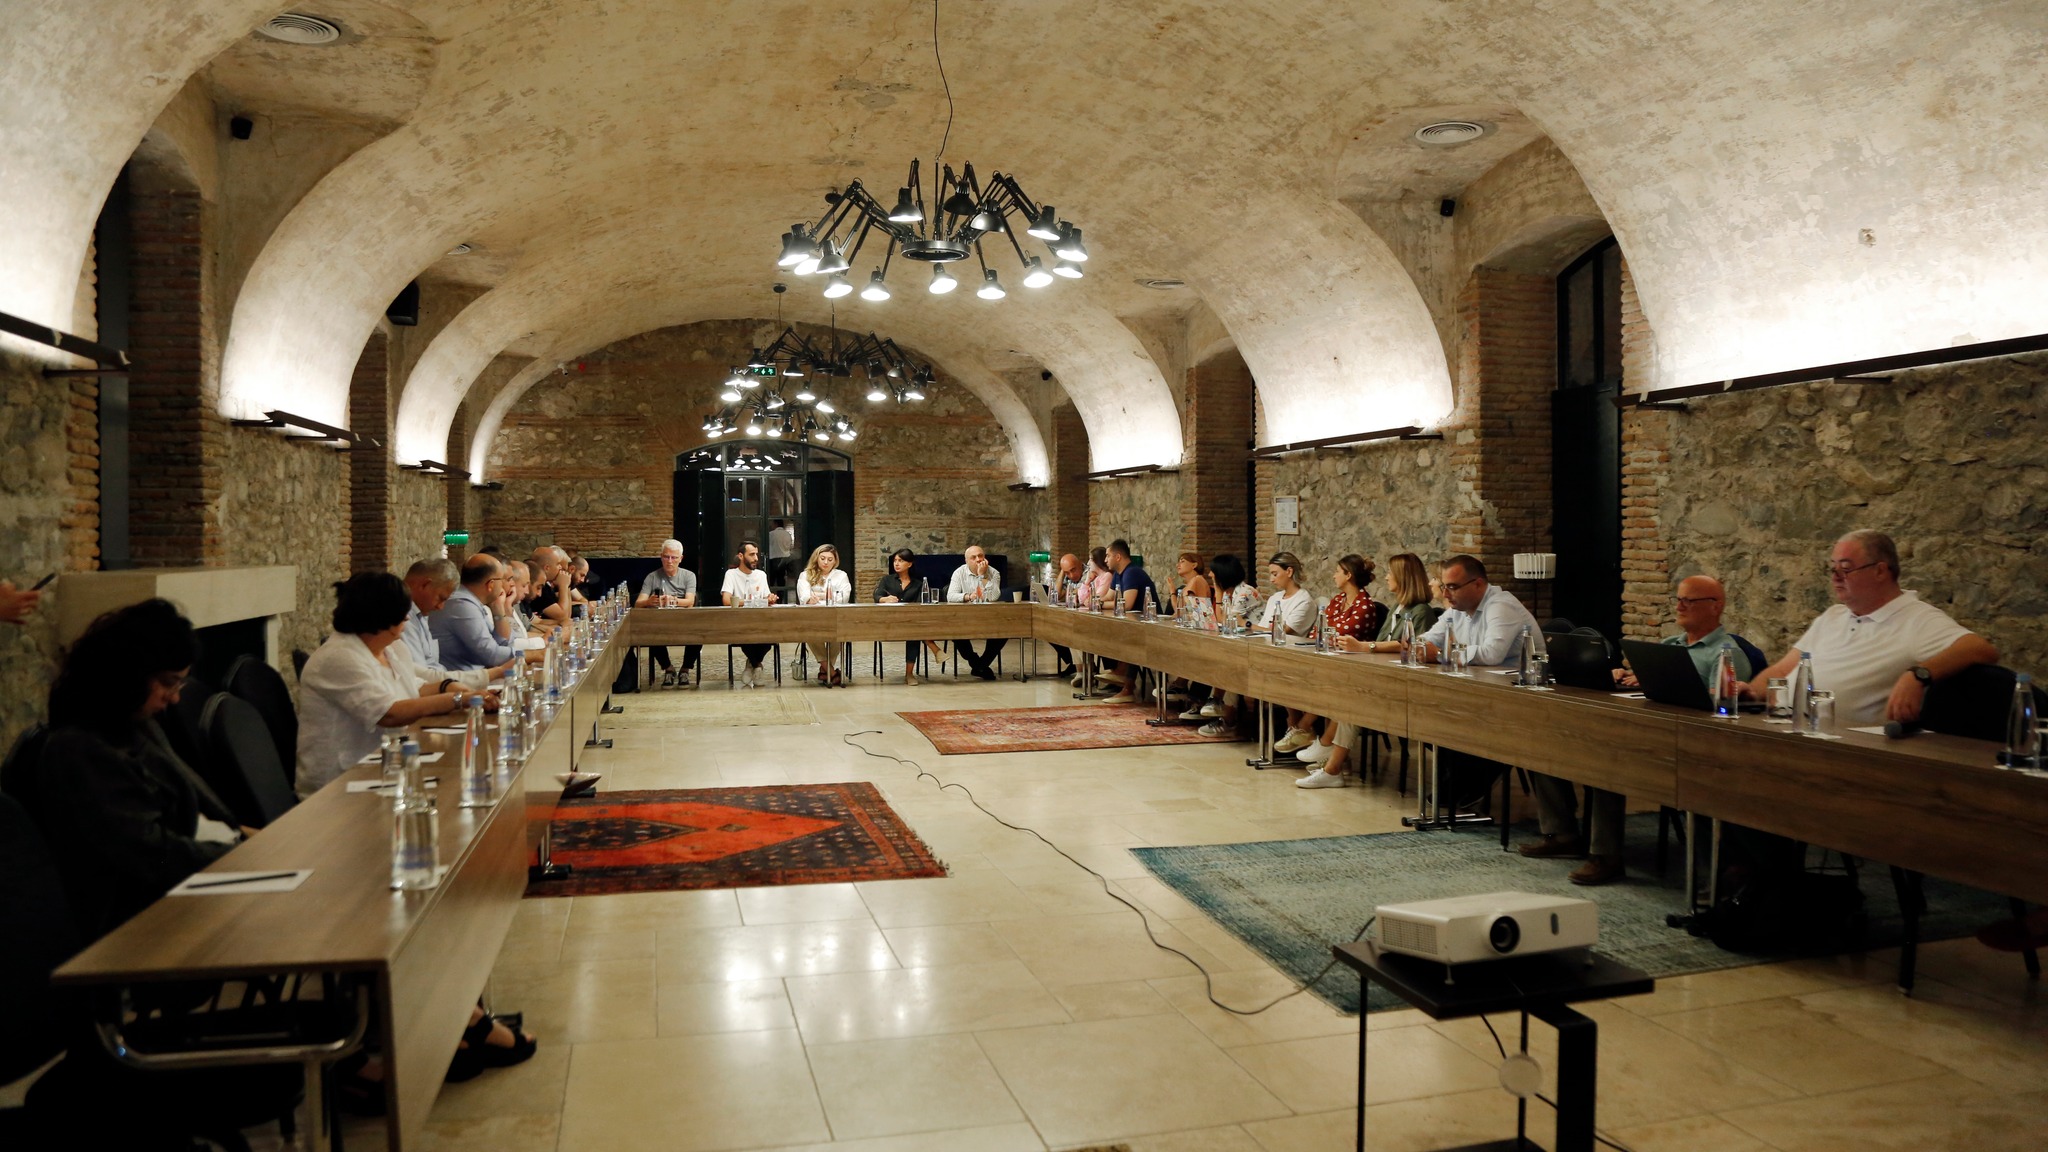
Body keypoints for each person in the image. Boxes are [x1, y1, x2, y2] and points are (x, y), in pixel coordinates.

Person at [29, 599, 245, 938]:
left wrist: (243, 838)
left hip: (177, 891)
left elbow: (185, 809)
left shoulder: (132, 723)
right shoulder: (78, 749)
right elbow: (150, 853)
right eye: (169, 682)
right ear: (128, 673)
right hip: (136, 924)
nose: (175, 698)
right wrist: (238, 857)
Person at [1523, 576, 1754, 884]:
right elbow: (1652, 686)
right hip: (1650, 733)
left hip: (1693, 747)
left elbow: (1728, 704)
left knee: (1607, 764)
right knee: (1549, 745)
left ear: (1716, 606)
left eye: (1690, 600)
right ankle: (1561, 834)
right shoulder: (1670, 645)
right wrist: (1625, 675)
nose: (1680, 606)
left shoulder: (1726, 652)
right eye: (1678, 599)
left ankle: (1605, 855)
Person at [1746, 529, 1998, 728]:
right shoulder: (1832, 617)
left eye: (1846, 568)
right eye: (1833, 568)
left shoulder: (1916, 619)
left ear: (1880, 571)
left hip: (1847, 746)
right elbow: (1782, 670)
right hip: (1787, 728)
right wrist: (1750, 692)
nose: (1835, 577)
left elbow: (1980, 649)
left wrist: (1918, 675)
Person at [297, 573, 484, 797]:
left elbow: (414, 688)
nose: (408, 617)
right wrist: (457, 700)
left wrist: (448, 686)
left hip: (385, 764)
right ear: (385, 616)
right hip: (338, 785)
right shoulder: (339, 657)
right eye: (404, 612)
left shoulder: (392, 648)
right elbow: (388, 714)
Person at [1295, 555, 1385, 788]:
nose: (1334, 575)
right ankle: (1307, 734)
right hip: (1332, 661)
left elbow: (1342, 634)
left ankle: (1306, 732)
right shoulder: (1337, 600)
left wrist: (1328, 633)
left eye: (1338, 571)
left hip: (1355, 668)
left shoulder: (1365, 606)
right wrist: (1326, 634)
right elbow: (1318, 631)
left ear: (1348, 575)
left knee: (1335, 690)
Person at [1412, 555, 1544, 667]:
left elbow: (1491, 655)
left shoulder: (1501, 605)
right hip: (1480, 680)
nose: (1445, 594)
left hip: (1521, 684)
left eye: (1452, 587)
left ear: (1478, 584)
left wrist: (1441, 654)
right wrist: (1417, 646)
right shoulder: (1458, 608)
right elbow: (1429, 638)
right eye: (1444, 587)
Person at [402, 558, 497, 690]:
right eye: (441, 598)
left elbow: (432, 667)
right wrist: (493, 674)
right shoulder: (404, 618)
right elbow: (423, 678)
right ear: (425, 585)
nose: (441, 607)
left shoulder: (420, 614)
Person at [1193, 554, 1263, 731]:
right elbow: (1220, 621)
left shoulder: (1245, 592)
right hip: (1241, 641)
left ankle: (1222, 711)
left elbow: (1224, 621)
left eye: (1213, 572)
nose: (1210, 575)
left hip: (1257, 643)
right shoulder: (1229, 593)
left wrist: (1217, 593)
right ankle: (1214, 705)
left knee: (1228, 663)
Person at [1260, 552, 1321, 750]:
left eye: (1275, 574)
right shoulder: (1275, 598)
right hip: (1269, 647)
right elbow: (1264, 628)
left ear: (1289, 571)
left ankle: (1295, 724)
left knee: (1276, 671)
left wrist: (1247, 624)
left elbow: (1282, 631)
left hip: (1294, 653)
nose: (1271, 579)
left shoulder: (1304, 601)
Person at [429, 553, 522, 672]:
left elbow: (503, 643)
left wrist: (498, 610)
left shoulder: (472, 602)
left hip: (477, 675)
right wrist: (532, 655)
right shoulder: (461, 604)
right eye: (503, 579)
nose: (506, 585)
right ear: (491, 584)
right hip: (462, 679)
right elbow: (492, 656)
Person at [1098, 540, 1158, 704]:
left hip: (1149, 624)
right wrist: (1095, 600)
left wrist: (1100, 604)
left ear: (1118, 557)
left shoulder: (1132, 572)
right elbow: (1109, 596)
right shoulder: (1118, 574)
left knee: (1133, 640)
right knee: (1101, 630)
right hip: (1132, 623)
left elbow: (1127, 604)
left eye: (1108, 556)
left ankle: (1127, 686)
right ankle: (1118, 672)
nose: (1105, 560)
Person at [1343, 552, 1439, 654]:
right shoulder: (1396, 607)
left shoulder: (1422, 611)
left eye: (1390, 573)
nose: (1386, 578)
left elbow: (1412, 645)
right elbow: (1384, 641)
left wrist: (1363, 646)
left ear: (1402, 577)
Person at [635, 539, 700, 688]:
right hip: (659, 622)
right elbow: (638, 603)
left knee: (701, 632)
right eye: (666, 557)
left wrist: (673, 600)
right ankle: (668, 668)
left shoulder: (689, 576)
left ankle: (685, 669)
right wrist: (649, 601)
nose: (669, 561)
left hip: (684, 622)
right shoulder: (652, 577)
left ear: (680, 559)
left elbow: (690, 601)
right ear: (661, 557)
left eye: (674, 557)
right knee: (650, 633)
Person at [874, 547, 943, 685]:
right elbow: (877, 595)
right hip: (890, 622)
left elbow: (919, 606)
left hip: (910, 623)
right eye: (895, 560)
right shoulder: (887, 580)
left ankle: (909, 674)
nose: (896, 563)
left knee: (913, 632)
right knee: (915, 630)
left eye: (900, 560)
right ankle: (934, 648)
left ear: (910, 564)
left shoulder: (918, 584)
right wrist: (885, 599)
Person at [721, 541, 778, 687]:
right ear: (741, 556)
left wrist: (770, 598)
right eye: (752, 554)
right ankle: (757, 665)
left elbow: (766, 598)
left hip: (761, 620)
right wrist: (752, 602)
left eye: (756, 554)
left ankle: (751, 663)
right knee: (746, 633)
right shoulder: (731, 574)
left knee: (770, 634)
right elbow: (726, 600)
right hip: (740, 621)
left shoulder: (761, 575)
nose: (756, 558)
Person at [946, 544, 1007, 680]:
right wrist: (968, 596)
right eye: (973, 557)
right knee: (955, 632)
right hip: (964, 618)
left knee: (1004, 631)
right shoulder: (959, 572)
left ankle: (981, 664)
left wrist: (982, 576)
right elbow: (950, 596)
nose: (978, 559)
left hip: (988, 617)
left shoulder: (994, 573)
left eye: (981, 556)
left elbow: (994, 597)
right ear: (966, 561)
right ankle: (976, 663)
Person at [796, 543, 853, 686]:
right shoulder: (805, 575)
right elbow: (805, 597)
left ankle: (825, 670)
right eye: (822, 558)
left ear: (835, 561)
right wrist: (826, 595)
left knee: (839, 633)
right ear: (817, 558)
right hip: (813, 617)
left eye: (830, 559)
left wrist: (819, 595)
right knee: (810, 632)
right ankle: (830, 671)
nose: (826, 562)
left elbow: (843, 597)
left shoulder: (841, 575)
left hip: (835, 616)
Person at [1047, 552, 1085, 677]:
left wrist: (1070, 592)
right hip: (1071, 616)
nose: (1071, 575)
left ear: (1080, 564)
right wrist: (1062, 573)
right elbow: (1056, 596)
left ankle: (1084, 666)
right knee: (1048, 630)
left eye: (1073, 570)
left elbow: (1079, 594)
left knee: (1072, 631)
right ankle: (1073, 662)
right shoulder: (1067, 576)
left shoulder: (1088, 573)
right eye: (1067, 572)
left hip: (1084, 617)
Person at [525, 545, 573, 628]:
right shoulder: (540, 588)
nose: (560, 567)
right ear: (547, 568)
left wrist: (566, 585)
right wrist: (564, 586)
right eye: (558, 564)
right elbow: (562, 615)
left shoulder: (546, 585)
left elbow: (567, 616)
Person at [768, 518, 796, 588]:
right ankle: (781, 594)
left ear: (775, 524)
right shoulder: (787, 534)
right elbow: (789, 546)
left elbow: (767, 545)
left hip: (773, 558)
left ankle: (771, 593)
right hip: (785, 558)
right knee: (781, 579)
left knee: (772, 580)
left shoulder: (771, 534)